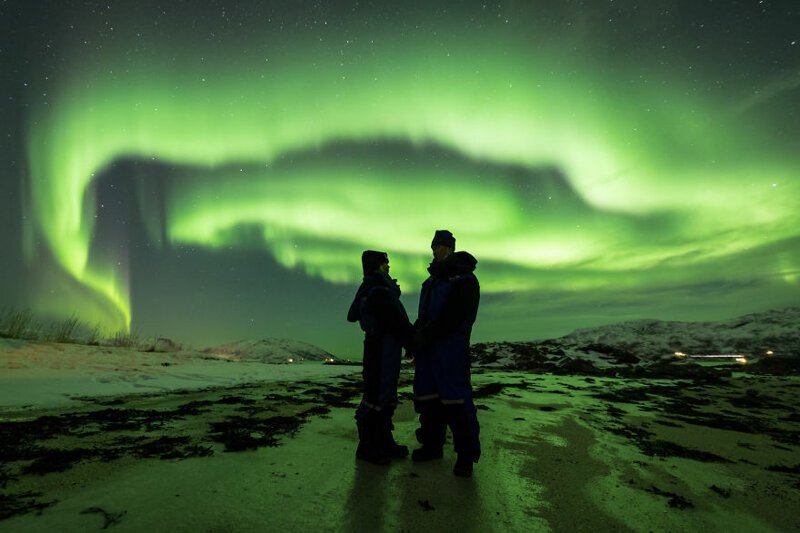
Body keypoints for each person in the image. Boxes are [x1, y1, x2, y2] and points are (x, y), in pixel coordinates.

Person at [411, 230, 481, 477]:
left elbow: (456, 316)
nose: (436, 250)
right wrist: (414, 337)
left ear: (450, 248)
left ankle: (466, 455)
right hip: (428, 351)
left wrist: (427, 334)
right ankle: (432, 445)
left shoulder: (464, 279)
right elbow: (424, 315)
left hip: (450, 349)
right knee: (428, 398)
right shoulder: (430, 283)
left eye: (441, 246)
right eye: (434, 246)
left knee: (456, 401)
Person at [347, 250, 414, 465]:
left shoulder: (377, 288)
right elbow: (396, 321)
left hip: (386, 348)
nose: (389, 266)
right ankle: (367, 446)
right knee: (375, 396)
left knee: (386, 395)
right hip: (380, 348)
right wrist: (413, 341)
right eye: (386, 263)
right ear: (377, 265)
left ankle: (384, 441)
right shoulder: (377, 290)